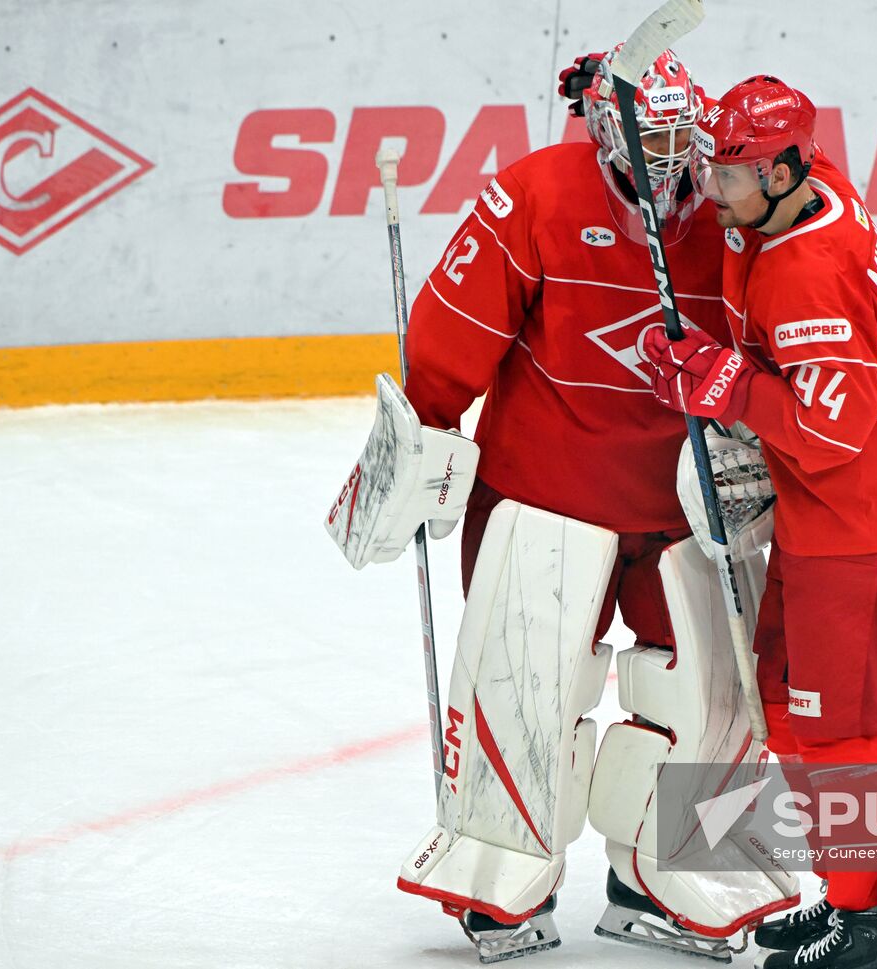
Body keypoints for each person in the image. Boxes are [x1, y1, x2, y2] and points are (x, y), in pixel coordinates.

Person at [330, 49, 797, 962]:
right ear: (609, 133)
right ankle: (502, 866)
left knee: (706, 693)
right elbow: (447, 343)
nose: (673, 162)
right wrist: (421, 439)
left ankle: (668, 863)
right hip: (546, 495)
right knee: (528, 687)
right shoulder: (532, 197)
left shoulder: (736, 217)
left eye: (682, 138)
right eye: (650, 138)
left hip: (683, 508)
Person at [640, 74, 877, 969]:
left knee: (842, 732)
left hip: (864, 523)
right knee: (786, 703)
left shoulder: (811, 275)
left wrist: (724, 383)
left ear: (781, 174)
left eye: (729, 174)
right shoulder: (796, 197)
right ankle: (851, 893)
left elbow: (832, 428)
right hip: (823, 520)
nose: (712, 188)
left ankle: (866, 933)